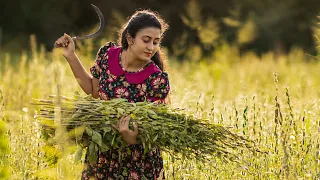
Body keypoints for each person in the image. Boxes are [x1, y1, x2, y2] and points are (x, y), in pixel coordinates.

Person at [54, 9, 170, 180]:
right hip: (103, 155)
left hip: (137, 162)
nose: (151, 47)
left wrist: (133, 138)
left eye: (155, 42)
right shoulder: (108, 55)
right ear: (130, 39)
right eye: (146, 40)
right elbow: (94, 91)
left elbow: (155, 126)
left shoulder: (156, 79)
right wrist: (70, 56)